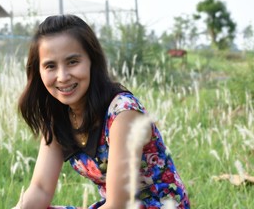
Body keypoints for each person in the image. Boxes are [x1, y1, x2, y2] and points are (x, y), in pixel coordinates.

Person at [15, 14, 190, 208]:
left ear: (92, 61)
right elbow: (40, 189)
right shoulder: (57, 116)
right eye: (50, 66)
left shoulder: (123, 113)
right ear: (38, 71)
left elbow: (117, 205)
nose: (62, 76)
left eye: (73, 62)